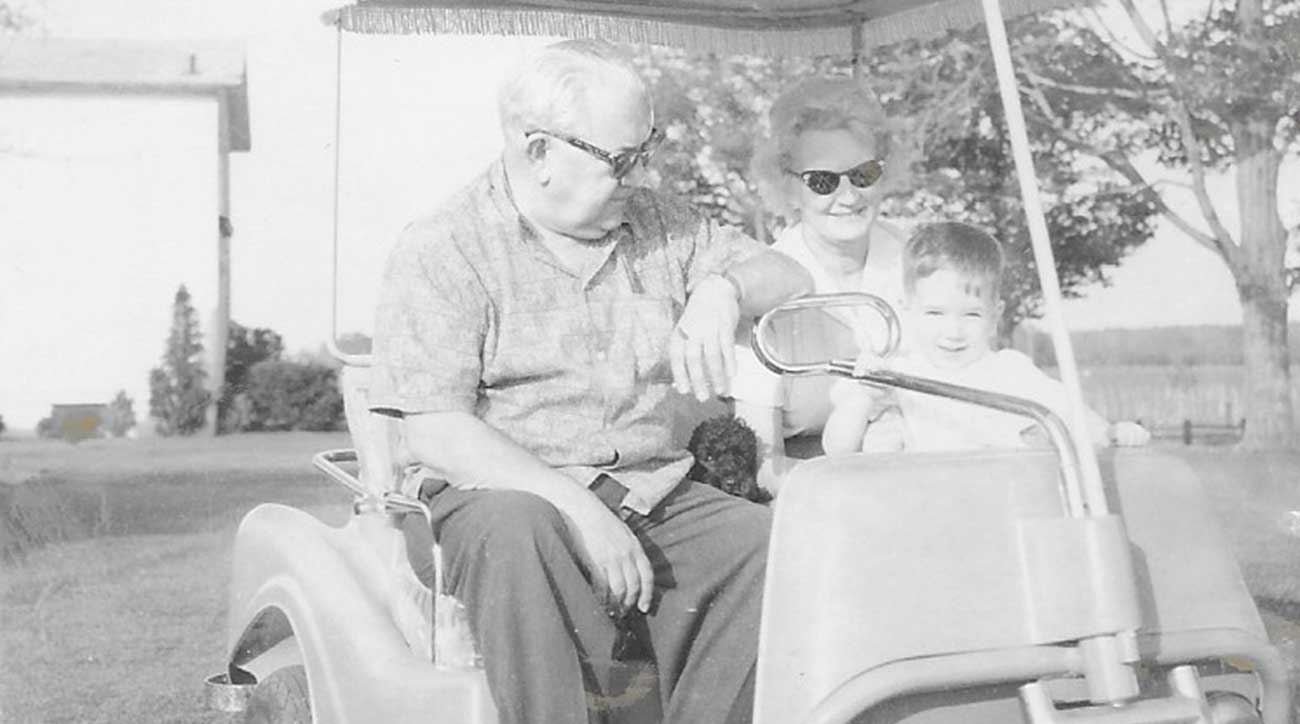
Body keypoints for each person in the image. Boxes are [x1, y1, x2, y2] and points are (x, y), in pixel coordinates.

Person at [369, 39, 813, 724]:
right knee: (523, 534)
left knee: (769, 549)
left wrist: (724, 286)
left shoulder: (663, 224)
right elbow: (432, 426)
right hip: (503, 497)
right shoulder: (443, 247)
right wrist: (578, 509)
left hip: (653, 489)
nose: (643, 173)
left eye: (649, 149)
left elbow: (792, 276)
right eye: (622, 159)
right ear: (539, 151)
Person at [822, 221, 1150, 454]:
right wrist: (864, 397)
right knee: (883, 443)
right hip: (923, 512)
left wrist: (1110, 432)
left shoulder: (1010, 371)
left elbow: (1072, 416)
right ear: (907, 310)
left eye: (972, 315)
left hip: (997, 508)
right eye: (935, 314)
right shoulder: (894, 374)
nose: (953, 332)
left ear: (995, 317)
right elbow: (836, 448)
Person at [730, 76, 908, 494]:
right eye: (823, 182)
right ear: (788, 188)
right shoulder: (766, 295)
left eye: (863, 175)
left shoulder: (918, 261)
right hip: (818, 487)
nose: (848, 197)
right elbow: (764, 466)